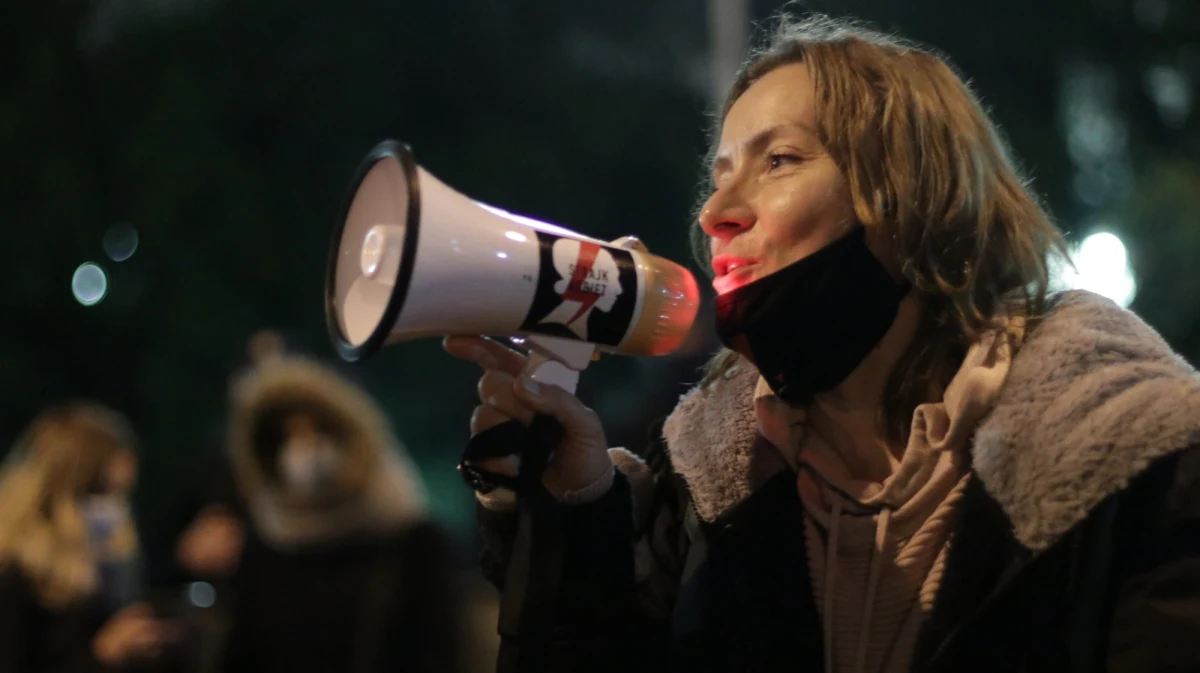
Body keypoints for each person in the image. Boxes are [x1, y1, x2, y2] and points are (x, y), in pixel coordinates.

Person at [444, 13, 1200, 673]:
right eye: (719, 175)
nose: (715, 212)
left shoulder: (1136, 462)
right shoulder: (710, 490)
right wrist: (576, 511)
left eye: (779, 160)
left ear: (913, 195)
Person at [219, 355, 464, 673]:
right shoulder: (264, 543)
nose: (305, 448)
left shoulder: (411, 538)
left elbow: (437, 652)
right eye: (287, 436)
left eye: (318, 430)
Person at [0, 403, 183, 672]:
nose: (113, 513)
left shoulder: (101, 576)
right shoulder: (14, 575)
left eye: (122, 497)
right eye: (101, 493)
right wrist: (103, 654)